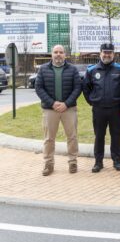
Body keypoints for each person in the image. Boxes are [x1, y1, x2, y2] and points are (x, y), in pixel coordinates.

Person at [35, 45, 81, 176]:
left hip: (69, 109)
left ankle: (73, 161)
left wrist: (66, 104)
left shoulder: (72, 69)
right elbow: (39, 88)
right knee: (49, 138)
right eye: (56, 52)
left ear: (65, 54)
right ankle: (48, 164)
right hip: (50, 109)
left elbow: (78, 88)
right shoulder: (43, 69)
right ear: (51, 54)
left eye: (61, 52)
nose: (58, 54)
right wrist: (52, 103)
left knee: (72, 137)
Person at [83, 43, 120, 173]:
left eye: (109, 52)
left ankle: (116, 160)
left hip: (116, 109)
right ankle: (98, 162)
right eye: (105, 52)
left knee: (116, 135)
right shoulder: (91, 70)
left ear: (113, 54)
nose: (107, 55)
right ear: (100, 53)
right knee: (99, 136)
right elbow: (86, 88)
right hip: (99, 110)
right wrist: (92, 102)